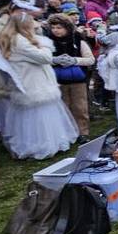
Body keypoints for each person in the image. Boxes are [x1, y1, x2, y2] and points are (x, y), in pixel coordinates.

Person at [0, 9, 78, 160]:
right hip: (34, 84)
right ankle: (41, 146)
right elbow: (44, 57)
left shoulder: (13, 39)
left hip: (28, 82)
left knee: (32, 118)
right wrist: (44, 43)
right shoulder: (20, 41)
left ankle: (47, 144)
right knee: (39, 117)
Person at [47, 14, 95, 143]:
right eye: (53, 27)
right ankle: (66, 133)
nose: (56, 30)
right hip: (57, 80)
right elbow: (43, 59)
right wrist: (55, 60)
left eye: (59, 27)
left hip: (77, 79)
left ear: (67, 28)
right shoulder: (47, 42)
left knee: (80, 107)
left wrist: (74, 60)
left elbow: (90, 59)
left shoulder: (78, 40)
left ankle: (82, 132)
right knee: (63, 107)